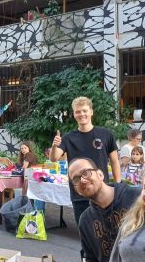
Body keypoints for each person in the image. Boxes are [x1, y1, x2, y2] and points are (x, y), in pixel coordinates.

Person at [50, 96, 121, 225]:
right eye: (78, 111)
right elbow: (54, 158)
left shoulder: (106, 134)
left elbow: (115, 162)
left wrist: (119, 186)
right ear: (74, 114)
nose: (81, 114)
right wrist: (55, 145)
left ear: (91, 112)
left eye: (84, 110)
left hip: (103, 191)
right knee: (84, 232)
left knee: (107, 230)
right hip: (79, 193)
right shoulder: (68, 138)